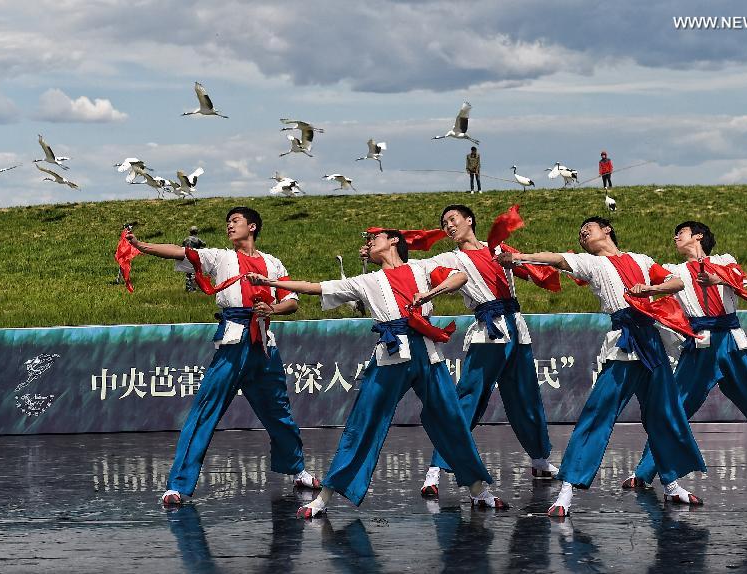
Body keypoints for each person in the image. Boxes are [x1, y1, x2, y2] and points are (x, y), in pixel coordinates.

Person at [248, 229, 508, 518]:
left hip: (427, 353)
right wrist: (270, 282)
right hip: (391, 355)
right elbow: (315, 287)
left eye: (375, 237)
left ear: (394, 240)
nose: (369, 243)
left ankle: (478, 491)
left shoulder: (421, 267)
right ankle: (323, 498)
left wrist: (429, 293)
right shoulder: (367, 281)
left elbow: (459, 277)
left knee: (452, 420)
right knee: (363, 423)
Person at [498, 217, 707, 517]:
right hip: (624, 343)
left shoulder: (641, 260)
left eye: (588, 228)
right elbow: (557, 259)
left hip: (651, 342)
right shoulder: (590, 263)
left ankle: (672, 484)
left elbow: (677, 282)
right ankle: (567, 490)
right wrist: (520, 256)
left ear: (607, 229)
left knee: (665, 415)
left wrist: (650, 290)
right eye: (580, 234)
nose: (583, 233)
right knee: (598, 414)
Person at [126, 206, 320, 505]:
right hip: (232, 341)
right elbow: (181, 253)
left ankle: (297, 469)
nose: (229, 226)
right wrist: (142, 246)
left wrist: (273, 309)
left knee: (279, 412)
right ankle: (178, 484)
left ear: (252, 226)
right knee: (205, 410)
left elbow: (291, 301)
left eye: (236, 221)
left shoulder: (272, 263)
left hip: (264, 343)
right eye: (228, 222)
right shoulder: (220, 257)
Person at [622, 221, 747, 490]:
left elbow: (742, 281)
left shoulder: (725, 260)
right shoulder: (674, 270)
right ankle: (644, 472)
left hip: (731, 341)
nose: (674, 238)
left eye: (679, 233)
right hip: (700, 345)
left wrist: (717, 278)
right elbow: (668, 284)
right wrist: (648, 289)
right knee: (675, 409)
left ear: (698, 236)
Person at [416, 205, 558, 498]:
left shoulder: (499, 249)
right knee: (468, 399)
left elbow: (533, 271)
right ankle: (436, 468)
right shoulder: (450, 258)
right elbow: (416, 267)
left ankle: (539, 459)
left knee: (526, 397)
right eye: (444, 223)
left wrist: (519, 262)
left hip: (516, 329)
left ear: (469, 220)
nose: (449, 226)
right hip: (488, 331)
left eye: (453, 219)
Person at [181, 225, 207, 292]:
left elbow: (182, 246)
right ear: (196, 232)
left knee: (188, 273)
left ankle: (188, 288)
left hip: (186, 257)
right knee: (194, 272)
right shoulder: (197, 239)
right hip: (194, 257)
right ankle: (194, 288)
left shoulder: (185, 239)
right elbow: (204, 244)